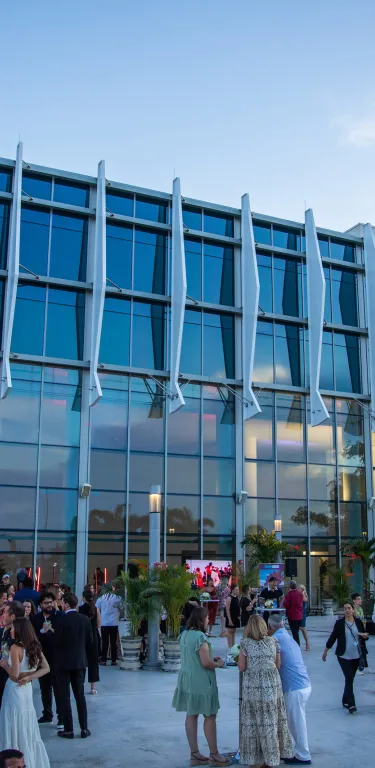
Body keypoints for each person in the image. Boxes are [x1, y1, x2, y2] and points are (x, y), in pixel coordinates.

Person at [172, 607, 230, 767]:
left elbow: (194, 656)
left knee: (191, 714)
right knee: (210, 715)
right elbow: (205, 662)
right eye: (206, 618)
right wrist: (218, 663)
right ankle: (214, 754)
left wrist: (211, 658)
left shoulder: (184, 635)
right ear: (200, 620)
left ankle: (195, 754)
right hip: (202, 681)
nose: (208, 621)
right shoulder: (200, 637)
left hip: (187, 679)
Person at [238, 614, 293, 768]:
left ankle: (255, 759)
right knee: (271, 722)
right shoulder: (273, 641)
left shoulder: (245, 644)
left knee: (253, 723)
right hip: (272, 687)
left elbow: (242, 667)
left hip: (253, 688)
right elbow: (278, 665)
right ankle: (271, 758)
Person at [0, 617, 50, 768]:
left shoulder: (16, 648)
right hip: (26, 692)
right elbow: (46, 668)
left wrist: (3, 664)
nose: (11, 630)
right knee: (26, 725)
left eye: (14, 628)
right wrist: (29, 677)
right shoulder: (34, 646)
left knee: (12, 723)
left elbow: (14, 675)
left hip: (14, 692)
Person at [268, 614, 312, 765]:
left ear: (270, 627)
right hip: (302, 684)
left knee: (296, 723)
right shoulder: (287, 636)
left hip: (295, 687)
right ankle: (291, 750)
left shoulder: (276, 639)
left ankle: (303, 755)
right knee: (293, 721)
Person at [54, 592, 93, 738]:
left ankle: (68, 729)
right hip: (79, 662)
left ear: (67, 604)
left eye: (62, 602)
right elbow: (90, 641)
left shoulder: (61, 621)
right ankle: (84, 728)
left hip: (63, 663)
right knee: (80, 696)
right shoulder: (84, 620)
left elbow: (57, 642)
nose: (61, 605)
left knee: (65, 697)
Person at [322, 601, 368, 713]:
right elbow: (333, 637)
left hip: (356, 655)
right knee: (349, 678)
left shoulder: (358, 622)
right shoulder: (339, 623)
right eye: (345, 608)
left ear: (353, 610)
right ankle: (351, 705)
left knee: (350, 679)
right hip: (343, 656)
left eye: (349, 608)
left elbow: (364, 636)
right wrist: (326, 651)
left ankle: (345, 700)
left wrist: (364, 636)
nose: (347, 610)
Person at [31, 591, 63, 727]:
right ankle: (47, 714)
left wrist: (52, 631)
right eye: (46, 603)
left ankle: (61, 717)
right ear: (40, 605)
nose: (49, 605)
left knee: (58, 688)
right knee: (45, 688)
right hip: (42, 658)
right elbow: (32, 637)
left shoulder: (60, 617)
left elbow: (63, 636)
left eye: (51, 602)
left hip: (56, 657)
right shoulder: (36, 619)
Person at [0, 602, 25, 710]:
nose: (2, 615)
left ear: (12, 616)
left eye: (4, 612)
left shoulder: (18, 636)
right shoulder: (6, 631)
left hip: (11, 682)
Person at [79, 589, 101, 695]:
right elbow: (99, 625)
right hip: (94, 638)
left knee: (82, 662)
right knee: (93, 663)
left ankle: (80, 685)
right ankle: (92, 688)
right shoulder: (96, 609)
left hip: (83, 638)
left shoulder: (80, 609)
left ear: (84, 598)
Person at [96, 585, 121, 666]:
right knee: (114, 642)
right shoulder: (118, 598)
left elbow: (97, 608)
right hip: (114, 623)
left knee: (104, 642)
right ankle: (114, 660)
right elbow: (122, 607)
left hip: (104, 623)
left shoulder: (101, 598)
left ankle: (104, 659)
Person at [283, 581, 304, 646]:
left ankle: (297, 645)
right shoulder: (300, 594)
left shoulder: (289, 595)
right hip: (299, 615)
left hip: (292, 615)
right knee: (296, 632)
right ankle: (297, 644)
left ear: (289, 587)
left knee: (294, 632)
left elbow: (286, 605)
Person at [225, 584, 240, 650]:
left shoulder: (236, 597)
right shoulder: (229, 598)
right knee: (230, 631)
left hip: (235, 617)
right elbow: (227, 609)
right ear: (233, 590)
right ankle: (230, 647)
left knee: (234, 631)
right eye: (236, 589)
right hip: (231, 616)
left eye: (238, 589)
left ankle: (233, 646)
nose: (238, 591)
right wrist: (229, 619)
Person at [297, 585, 310, 651]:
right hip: (297, 613)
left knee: (302, 628)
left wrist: (303, 593)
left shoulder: (304, 595)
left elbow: (305, 600)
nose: (297, 589)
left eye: (299, 588)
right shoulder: (296, 595)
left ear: (302, 589)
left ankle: (307, 643)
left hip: (302, 614)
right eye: (297, 588)